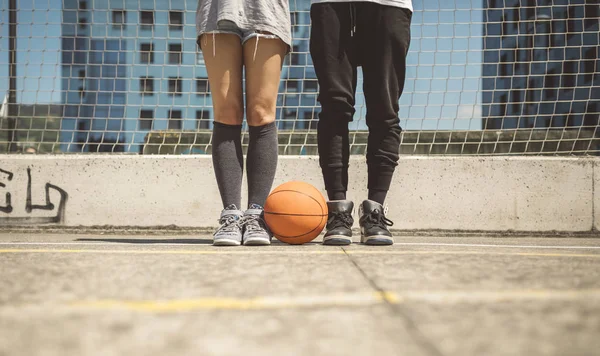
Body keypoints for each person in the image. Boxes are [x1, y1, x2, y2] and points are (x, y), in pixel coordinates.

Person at [310, 0, 413, 245]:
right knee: (335, 106)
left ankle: (375, 211)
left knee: (384, 108)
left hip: (389, 4)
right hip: (330, 4)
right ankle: (337, 211)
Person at [196, 0, 291, 246]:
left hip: (266, 9)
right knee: (227, 111)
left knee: (261, 112)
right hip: (218, 9)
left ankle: (256, 216)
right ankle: (231, 215)